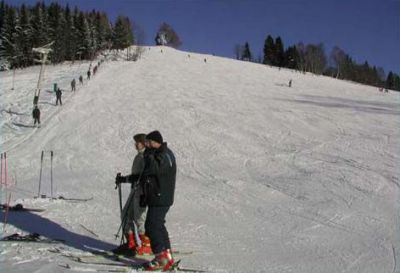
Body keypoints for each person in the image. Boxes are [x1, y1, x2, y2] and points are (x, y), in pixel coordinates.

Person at [116, 130, 176, 271]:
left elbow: (153, 170)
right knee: (157, 224)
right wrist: (125, 179)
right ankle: (166, 255)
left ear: (155, 142)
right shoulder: (158, 154)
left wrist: (149, 156)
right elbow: (144, 174)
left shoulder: (163, 155)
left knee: (151, 225)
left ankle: (160, 256)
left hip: (160, 196)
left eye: (148, 142)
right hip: (157, 195)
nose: (146, 145)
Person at [113, 134, 152, 256]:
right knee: (126, 214)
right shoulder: (138, 156)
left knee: (139, 218)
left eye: (138, 142)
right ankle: (131, 243)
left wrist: (125, 179)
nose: (136, 144)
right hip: (135, 190)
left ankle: (146, 246)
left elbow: (141, 176)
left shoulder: (147, 156)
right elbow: (135, 176)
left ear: (144, 143)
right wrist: (124, 179)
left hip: (142, 191)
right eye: (135, 142)